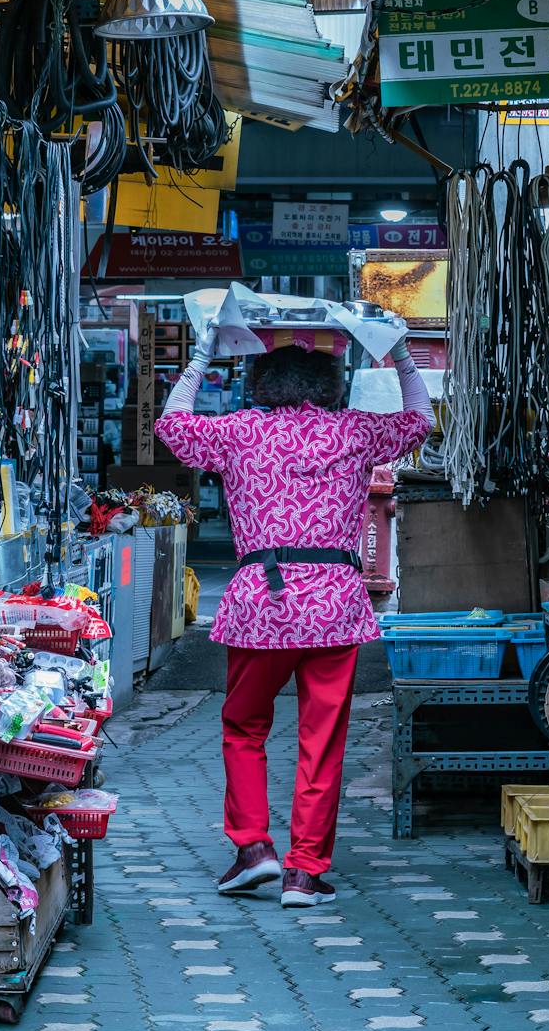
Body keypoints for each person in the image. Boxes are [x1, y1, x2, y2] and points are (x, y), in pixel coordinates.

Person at [154, 329, 435, 908]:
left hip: (263, 600)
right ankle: (304, 872)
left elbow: (171, 426)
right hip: (335, 602)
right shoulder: (354, 430)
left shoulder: (238, 431)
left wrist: (202, 355)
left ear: (260, 383)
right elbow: (419, 418)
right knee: (322, 740)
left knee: (244, 726)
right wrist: (400, 351)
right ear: (331, 387)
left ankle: (254, 849)